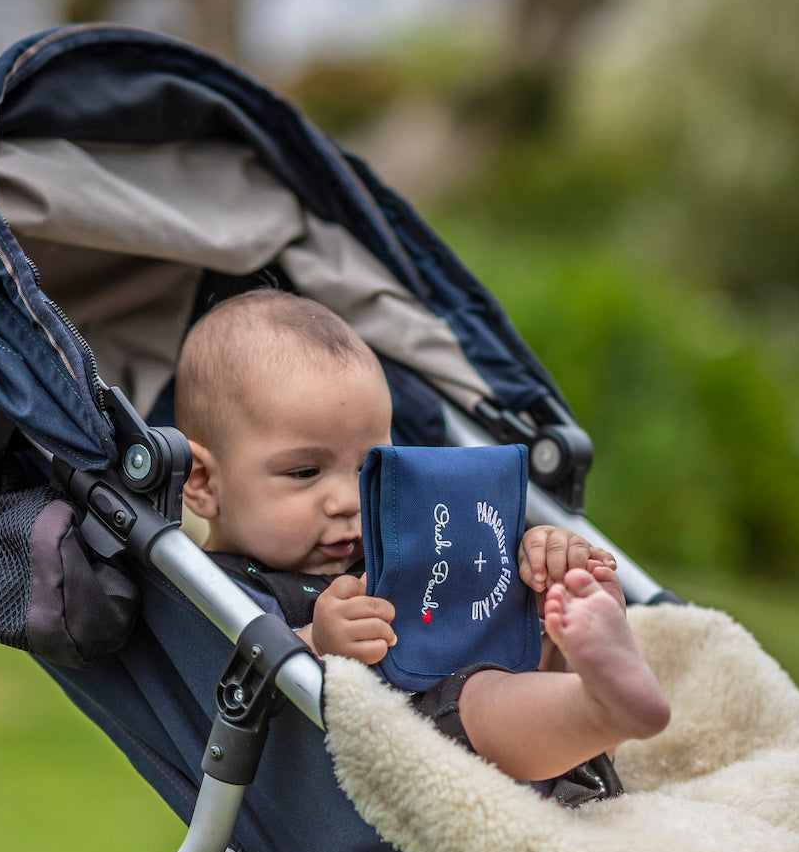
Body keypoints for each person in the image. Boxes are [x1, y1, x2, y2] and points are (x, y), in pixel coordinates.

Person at [176, 289, 669, 785]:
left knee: (517, 637)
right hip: (421, 758)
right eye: (305, 472)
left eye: (370, 469)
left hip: (515, 716)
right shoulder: (211, 590)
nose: (348, 500)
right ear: (202, 482)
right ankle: (603, 708)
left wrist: (535, 567)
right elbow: (222, 690)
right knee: (475, 696)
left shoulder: (398, 536)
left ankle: (586, 644)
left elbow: (477, 600)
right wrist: (314, 642)